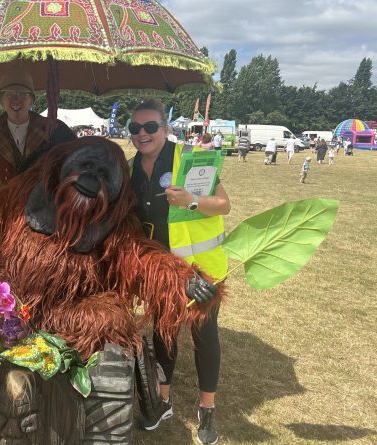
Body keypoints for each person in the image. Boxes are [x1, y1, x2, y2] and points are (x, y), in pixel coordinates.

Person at [127, 99, 229, 444]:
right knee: (164, 332)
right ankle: (163, 401)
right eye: (135, 128)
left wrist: (191, 201)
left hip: (201, 269)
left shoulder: (190, 158)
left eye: (150, 126)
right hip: (161, 270)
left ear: (165, 129)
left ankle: (207, 410)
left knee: (204, 335)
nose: (143, 134)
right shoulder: (130, 169)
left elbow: (224, 204)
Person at [0, 65, 75, 185]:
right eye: (9, 94)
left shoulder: (54, 129)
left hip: (44, 202)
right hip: (7, 202)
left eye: (23, 94)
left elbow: (74, 165)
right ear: (2, 101)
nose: (16, 99)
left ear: (31, 100)